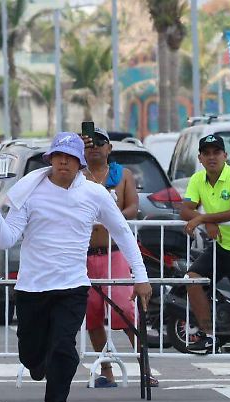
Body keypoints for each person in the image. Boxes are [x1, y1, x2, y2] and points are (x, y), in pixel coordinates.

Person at [0, 132, 151, 402]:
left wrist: (141, 277)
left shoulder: (95, 194)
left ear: (80, 163)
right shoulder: (30, 193)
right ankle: (37, 364)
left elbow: (122, 232)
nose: (62, 162)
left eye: (69, 158)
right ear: (50, 160)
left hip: (72, 287)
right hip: (31, 289)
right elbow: (6, 238)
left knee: (63, 351)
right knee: (31, 355)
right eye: (57, 157)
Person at [180, 134, 230, 387]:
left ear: (225, 156)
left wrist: (206, 220)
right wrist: (209, 222)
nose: (212, 156)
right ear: (200, 158)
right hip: (222, 246)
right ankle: (209, 334)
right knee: (191, 278)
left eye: (217, 152)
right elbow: (184, 210)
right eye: (207, 153)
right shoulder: (197, 178)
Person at [81, 126, 157, 388]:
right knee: (92, 314)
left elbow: (134, 207)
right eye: (91, 143)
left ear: (109, 148)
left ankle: (144, 367)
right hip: (86, 255)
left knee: (125, 312)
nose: (95, 148)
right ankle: (106, 370)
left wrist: (111, 218)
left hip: (116, 254)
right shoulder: (78, 177)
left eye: (101, 143)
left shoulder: (122, 175)